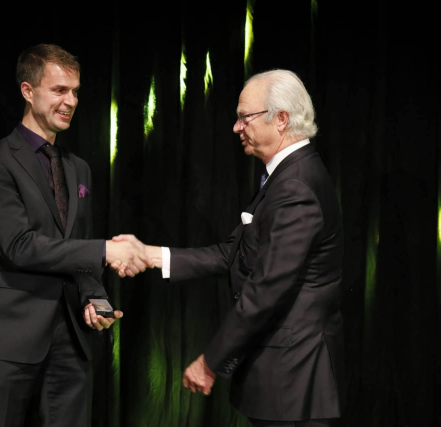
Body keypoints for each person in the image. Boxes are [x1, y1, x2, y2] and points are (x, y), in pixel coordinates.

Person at [114, 69, 345, 427]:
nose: (237, 127)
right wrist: (149, 255)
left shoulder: (296, 187)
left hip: (294, 384)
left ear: (281, 119)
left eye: (244, 117)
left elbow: (267, 290)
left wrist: (210, 362)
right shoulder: (285, 177)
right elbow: (232, 253)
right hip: (283, 383)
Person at [0, 43, 146, 426]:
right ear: (28, 91)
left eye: (76, 91)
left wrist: (94, 297)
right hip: (8, 333)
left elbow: (77, 246)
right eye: (59, 90)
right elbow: (18, 246)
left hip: (70, 337)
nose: (71, 101)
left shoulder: (79, 169)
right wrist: (105, 251)